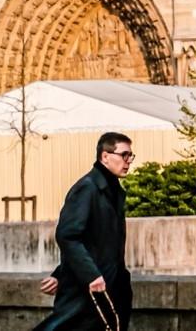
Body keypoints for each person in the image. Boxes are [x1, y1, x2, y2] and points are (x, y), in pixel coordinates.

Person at [35, 132, 134, 331]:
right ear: (105, 156)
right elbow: (68, 235)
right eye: (124, 155)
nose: (128, 161)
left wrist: (59, 274)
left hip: (109, 285)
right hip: (90, 288)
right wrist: (90, 275)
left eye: (130, 156)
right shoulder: (87, 189)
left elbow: (94, 242)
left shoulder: (112, 190)